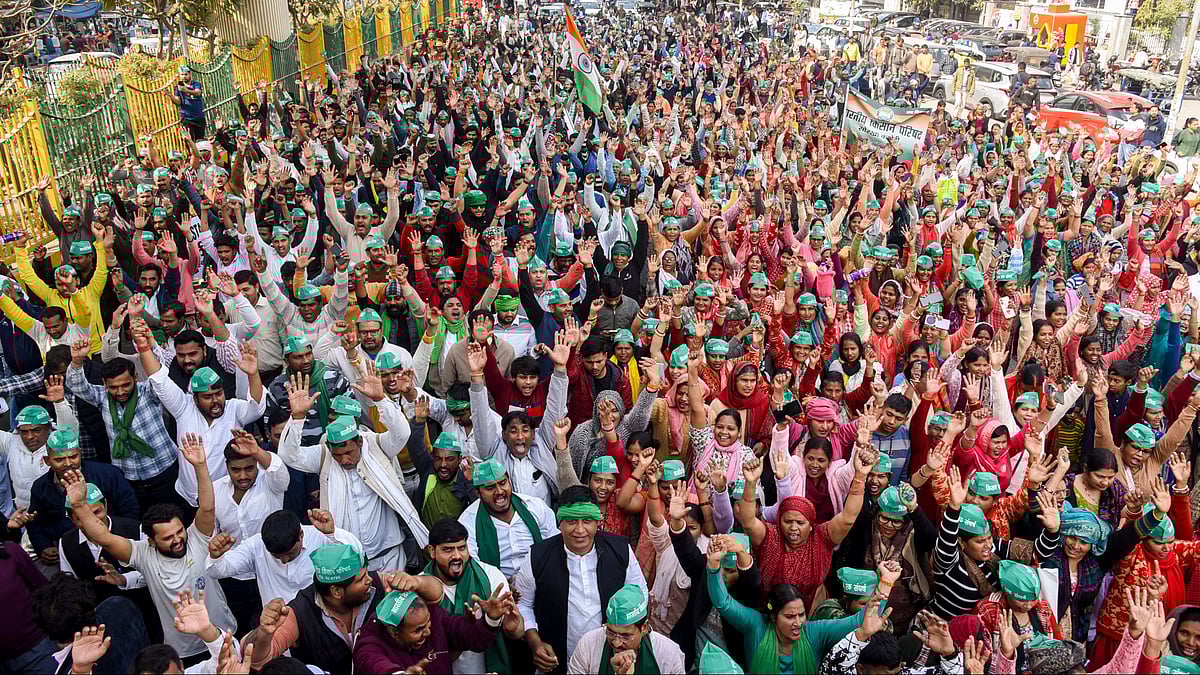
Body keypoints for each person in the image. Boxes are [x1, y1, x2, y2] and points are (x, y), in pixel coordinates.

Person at [63, 434, 235, 665]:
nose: (177, 540)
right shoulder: (143, 553)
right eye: (168, 538)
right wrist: (80, 505)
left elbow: (207, 507)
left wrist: (200, 465)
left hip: (221, 633)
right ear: (152, 541)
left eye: (179, 532)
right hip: (182, 649)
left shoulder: (196, 538)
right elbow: (103, 536)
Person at [513, 485, 648, 675]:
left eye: (586, 521)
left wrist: (625, 640)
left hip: (610, 655)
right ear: (559, 523)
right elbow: (524, 605)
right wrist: (535, 642)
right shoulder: (538, 556)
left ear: (597, 522)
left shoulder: (620, 550)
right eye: (571, 521)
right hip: (557, 658)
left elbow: (639, 594)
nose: (580, 530)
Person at [567, 583, 687, 674]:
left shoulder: (668, 654)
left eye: (625, 636)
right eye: (610, 632)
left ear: (644, 627)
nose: (616, 642)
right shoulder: (588, 645)